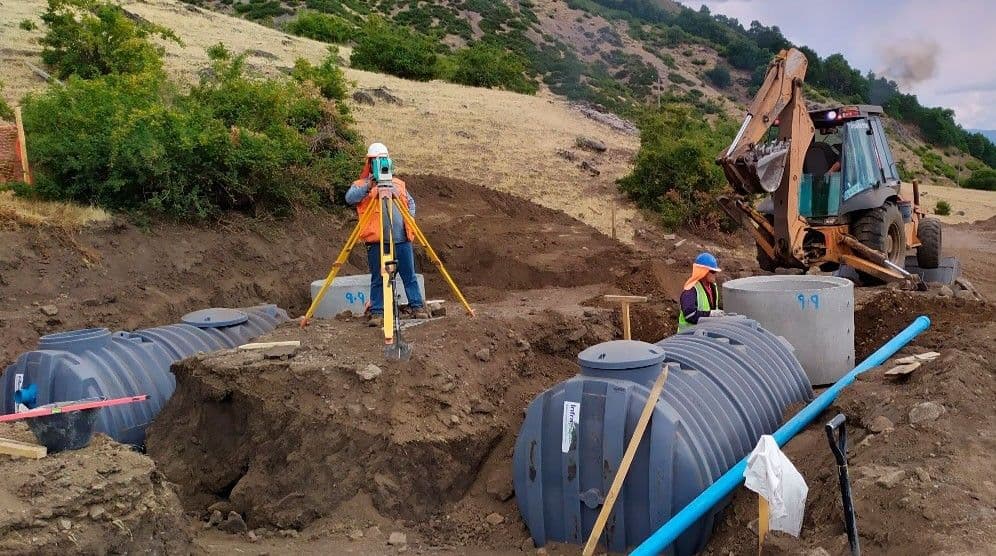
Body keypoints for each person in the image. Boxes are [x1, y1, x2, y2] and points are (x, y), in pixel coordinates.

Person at [345, 143, 428, 327]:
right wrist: (370, 184)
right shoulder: (361, 185)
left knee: (409, 275)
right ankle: (378, 312)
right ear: (369, 163)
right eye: (375, 161)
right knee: (378, 277)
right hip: (376, 241)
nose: (379, 165)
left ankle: (417, 307)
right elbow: (350, 198)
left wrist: (410, 220)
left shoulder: (398, 184)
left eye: (382, 161)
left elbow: (411, 203)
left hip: (401, 239)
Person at [677, 252, 724, 331]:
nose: (715, 274)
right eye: (712, 271)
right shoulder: (690, 290)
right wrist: (710, 314)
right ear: (703, 272)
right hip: (688, 337)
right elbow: (689, 315)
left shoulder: (713, 287)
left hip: (704, 334)